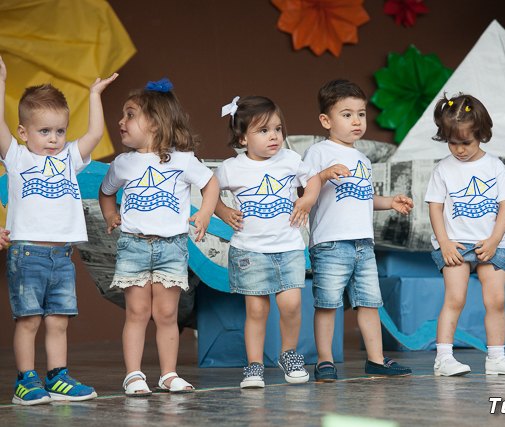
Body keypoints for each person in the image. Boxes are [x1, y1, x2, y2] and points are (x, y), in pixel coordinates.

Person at [0, 54, 117, 405]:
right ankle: (26, 381)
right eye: (44, 131)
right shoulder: (17, 157)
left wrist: (94, 95)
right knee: (29, 321)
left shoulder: (68, 158)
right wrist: (1, 84)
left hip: (62, 256)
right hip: (28, 255)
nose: (53, 139)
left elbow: (95, 133)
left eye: (60, 131)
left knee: (58, 321)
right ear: (23, 132)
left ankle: (57, 377)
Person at [99, 78, 219, 396]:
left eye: (130, 115)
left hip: (172, 247)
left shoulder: (183, 160)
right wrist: (110, 215)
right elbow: (106, 192)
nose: (121, 121)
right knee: (137, 312)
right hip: (134, 246)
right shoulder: (123, 164)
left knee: (166, 314)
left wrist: (206, 213)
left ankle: (168, 374)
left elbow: (210, 184)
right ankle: (134, 375)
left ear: (155, 122)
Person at [302, 79, 414, 381]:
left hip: (363, 244)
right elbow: (304, 189)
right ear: (326, 120)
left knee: (369, 302)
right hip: (331, 242)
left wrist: (388, 202)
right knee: (327, 304)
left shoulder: (363, 159)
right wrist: (324, 175)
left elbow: (363, 197)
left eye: (361, 114)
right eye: (347, 114)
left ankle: (376, 359)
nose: (356, 121)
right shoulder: (319, 152)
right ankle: (325, 360)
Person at [215, 95, 321, 389]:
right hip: (250, 251)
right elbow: (208, 190)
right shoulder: (231, 167)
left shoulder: (290, 159)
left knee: (291, 304)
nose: (274, 136)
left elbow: (313, 180)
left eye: (277, 129)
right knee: (257, 310)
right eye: (263, 131)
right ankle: (254, 365)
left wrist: (307, 200)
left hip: (288, 248)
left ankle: (289, 354)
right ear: (242, 138)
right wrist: (223, 211)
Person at [425, 93, 505, 376]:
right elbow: (435, 208)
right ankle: (443, 359)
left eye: (466, 143)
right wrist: (444, 243)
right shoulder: (443, 169)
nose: (459, 150)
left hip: (491, 244)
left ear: (481, 135)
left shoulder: (495, 166)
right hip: (455, 245)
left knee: (496, 301)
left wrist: (494, 240)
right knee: (455, 299)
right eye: (452, 143)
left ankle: (496, 358)